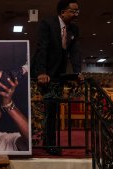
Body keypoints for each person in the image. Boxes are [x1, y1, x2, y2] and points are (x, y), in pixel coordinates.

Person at [30, 0, 84, 155]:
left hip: (58, 74)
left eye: (77, 11)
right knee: (44, 108)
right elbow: (42, 48)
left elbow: (75, 52)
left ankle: (49, 142)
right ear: (62, 12)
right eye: (73, 11)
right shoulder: (47, 23)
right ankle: (34, 142)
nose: (76, 14)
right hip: (42, 73)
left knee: (52, 109)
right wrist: (41, 72)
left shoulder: (74, 28)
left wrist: (77, 72)